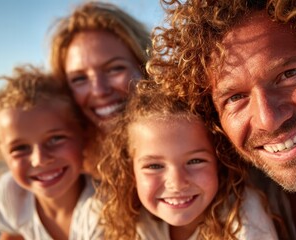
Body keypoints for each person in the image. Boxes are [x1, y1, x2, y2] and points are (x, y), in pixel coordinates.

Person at [147, 0, 296, 239]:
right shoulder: (242, 189)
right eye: (235, 97)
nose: (268, 119)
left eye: (290, 74)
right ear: (216, 119)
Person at [96, 81, 278, 239]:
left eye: (195, 161)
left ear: (219, 160)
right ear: (130, 169)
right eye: (154, 166)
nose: (177, 183)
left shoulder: (244, 215)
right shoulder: (132, 220)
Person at [0, 65, 102, 239]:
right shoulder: (10, 191)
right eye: (20, 148)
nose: (40, 159)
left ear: (84, 136)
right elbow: (12, 235)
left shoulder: (103, 206)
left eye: (55, 139)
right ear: (2, 153)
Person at [48, 1, 151, 175]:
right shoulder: (70, 173)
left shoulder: (199, 141)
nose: (99, 91)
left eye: (115, 69)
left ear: (147, 65)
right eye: (79, 79)